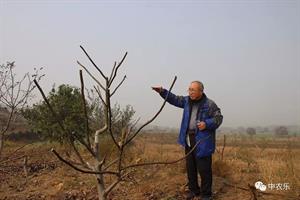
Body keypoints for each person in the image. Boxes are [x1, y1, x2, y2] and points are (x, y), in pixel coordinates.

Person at [152, 81, 223, 200]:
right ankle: (194, 190)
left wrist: (207, 124)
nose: (190, 92)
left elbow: (218, 118)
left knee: (204, 169)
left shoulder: (209, 104)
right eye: (189, 89)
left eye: (193, 90)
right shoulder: (186, 101)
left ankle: (206, 195)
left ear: (201, 91)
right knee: (191, 167)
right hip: (189, 139)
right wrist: (163, 92)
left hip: (203, 141)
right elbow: (174, 99)